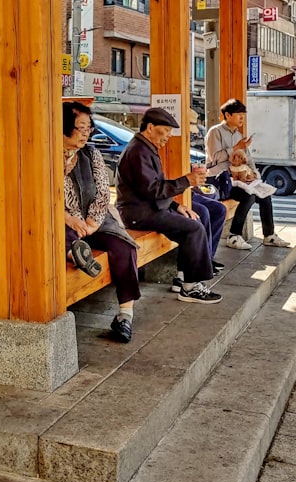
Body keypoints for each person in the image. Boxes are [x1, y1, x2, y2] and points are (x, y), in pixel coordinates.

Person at [116, 107, 222, 304]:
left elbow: (153, 189)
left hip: (148, 207)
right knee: (193, 228)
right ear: (150, 128)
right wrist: (187, 181)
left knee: (198, 214)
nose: (168, 137)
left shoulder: (146, 148)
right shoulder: (138, 151)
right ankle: (190, 287)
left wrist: (175, 206)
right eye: (165, 131)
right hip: (138, 213)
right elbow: (152, 190)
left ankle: (184, 276)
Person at [63, 101, 141, 343]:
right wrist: (69, 219)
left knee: (124, 246)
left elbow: (102, 194)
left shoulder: (91, 153)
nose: (86, 133)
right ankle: (74, 252)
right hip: (63, 221)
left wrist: (91, 223)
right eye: (80, 128)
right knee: (64, 237)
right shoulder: (46, 155)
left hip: (93, 221)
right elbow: (43, 195)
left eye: (88, 128)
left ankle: (125, 315)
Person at [205, 98, 290, 250]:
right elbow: (214, 158)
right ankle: (233, 236)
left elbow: (249, 159)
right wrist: (235, 148)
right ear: (227, 115)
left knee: (264, 194)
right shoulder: (215, 132)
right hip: (220, 180)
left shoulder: (239, 135)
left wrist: (256, 175)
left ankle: (269, 235)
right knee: (248, 196)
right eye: (239, 115)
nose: (242, 118)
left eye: (243, 115)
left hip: (240, 179)